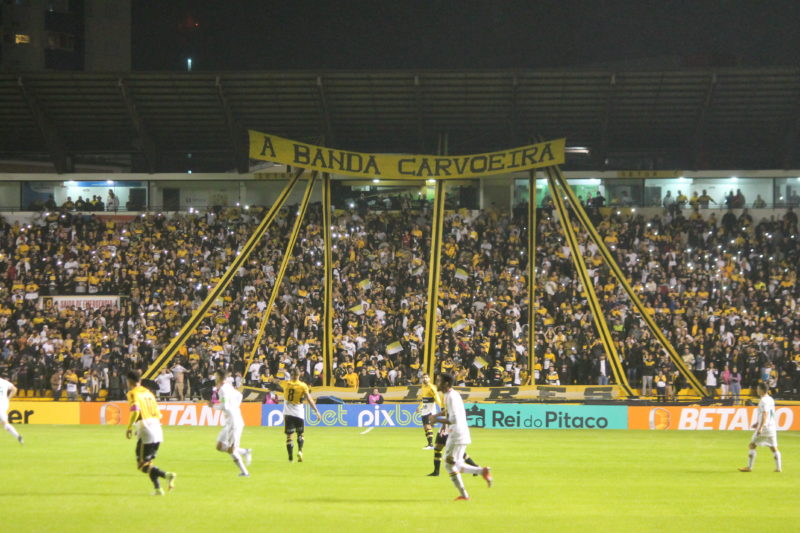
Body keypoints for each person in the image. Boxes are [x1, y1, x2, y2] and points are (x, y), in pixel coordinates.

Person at [431, 373, 492, 501]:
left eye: (439, 381)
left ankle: (467, 492)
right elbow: (448, 411)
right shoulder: (452, 394)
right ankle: (480, 474)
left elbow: (453, 419)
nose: (437, 383)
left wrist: (436, 420)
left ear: (446, 383)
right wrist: (437, 415)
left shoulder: (451, 397)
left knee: (449, 465)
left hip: (456, 433)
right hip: (461, 432)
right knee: (456, 464)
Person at [125, 370, 176, 495]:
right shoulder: (148, 393)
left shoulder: (133, 393)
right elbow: (158, 412)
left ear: (128, 381)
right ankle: (157, 488)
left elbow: (136, 411)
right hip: (157, 427)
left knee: (141, 464)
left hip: (145, 427)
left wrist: (129, 427)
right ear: (140, 381)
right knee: (149, 462)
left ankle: (166, 475)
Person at [210, 369, 252, 477]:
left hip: (234, 422)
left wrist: (213, 406)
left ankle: (245, 472)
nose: (214, 378)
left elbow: (225, 406)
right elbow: (240, 396)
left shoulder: (223, 389)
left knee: (231, 450)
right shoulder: (228, 386)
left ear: (219, 377)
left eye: (215, 376)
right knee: (219, 446)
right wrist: (235, 407)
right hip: (230, 421)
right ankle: (244, 452)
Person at [280, 367, 321, 462]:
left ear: (291, 375)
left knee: (289, 436)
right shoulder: (303, 386)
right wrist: (316, 411)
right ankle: (300, 451)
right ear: (299, 375)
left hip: (288, 413)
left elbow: (276, 382)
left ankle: (290, 459)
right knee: (300, 434)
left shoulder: (286, 384)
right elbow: (310, 400)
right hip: (299, 413)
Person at [739, 382, 781, 473]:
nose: (757, 390)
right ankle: (778, 468)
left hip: (765, 427)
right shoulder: (770, 399)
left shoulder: (763, 401)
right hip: (772, 427)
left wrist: (761, 427)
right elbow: (767, 413)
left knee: (752, 445)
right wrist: (757, 422)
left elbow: (765, 413)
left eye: (758, 388)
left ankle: (749, 467)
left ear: (761, 390)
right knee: (773, 447)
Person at [416, 373, 443, 450]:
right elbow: (423, 399)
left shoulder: (431, 387)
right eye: (424, 377)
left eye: (426, 377)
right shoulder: (423, 386)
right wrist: (419, 407)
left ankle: (431, 445)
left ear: (429, 379)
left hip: (430, 409)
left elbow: (436, 397)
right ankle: (429, 444)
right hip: (424, 409)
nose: (425, 379)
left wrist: (441, 406)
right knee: (425, 427)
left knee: (428, 426)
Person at [0, 376, 23, 444]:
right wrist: (8, 398)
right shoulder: (4, 382)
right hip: (4, 403)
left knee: (5, 423)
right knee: (5, 424)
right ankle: (18, 436)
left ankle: (18, 436)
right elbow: (14, 389)